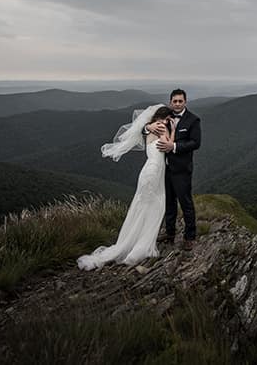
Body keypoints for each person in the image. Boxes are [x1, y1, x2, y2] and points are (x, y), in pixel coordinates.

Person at [76, 105, 174, 270]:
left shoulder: (149, 128)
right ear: (163, 118)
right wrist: (173, 130)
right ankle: (139, 248)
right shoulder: (162, 127)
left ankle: (133, 241)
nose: (168, 121)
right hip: (153, 172)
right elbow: (167, 145)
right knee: (153, 207)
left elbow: (148, 136)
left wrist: (149, 127)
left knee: (143, 207)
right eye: (168, 118)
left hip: (149, 171)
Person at [147, 89, 202, 250]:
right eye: (175, 101)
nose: (177, 104)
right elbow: (145, 125)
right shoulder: (165, 114)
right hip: (164, 168)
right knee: (169, 202)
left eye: (180, 101)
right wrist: (149, 127)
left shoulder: (193, 120)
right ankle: (170, 233)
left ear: (185, 101)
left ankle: (189, 237)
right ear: (171, 101)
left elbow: (195, 143)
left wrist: (174, 146)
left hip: (182, 169)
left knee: (185, 203)